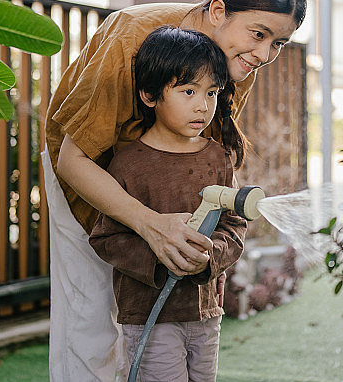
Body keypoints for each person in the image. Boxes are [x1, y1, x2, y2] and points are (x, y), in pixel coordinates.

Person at [42, 0, 306, 381]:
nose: (264, 54)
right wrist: (148, 223)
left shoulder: (238, 61)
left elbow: (207, 153)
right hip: (86, 171)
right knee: (91, 322)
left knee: (154, 324)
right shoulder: (132, 35)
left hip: (165, 184)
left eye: (278, 43)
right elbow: (74, 158)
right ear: (218, 10)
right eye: (259, 34)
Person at [89, 26, 247, 381]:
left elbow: (234, 227)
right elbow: (105, 238)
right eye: (188, 91)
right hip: (150, 316)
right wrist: (162, 258)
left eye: (211, 92)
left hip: (206, 313)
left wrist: (209, 256)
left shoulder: (217, 159)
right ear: (149, 94)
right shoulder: (129, 164)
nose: (202, 105)